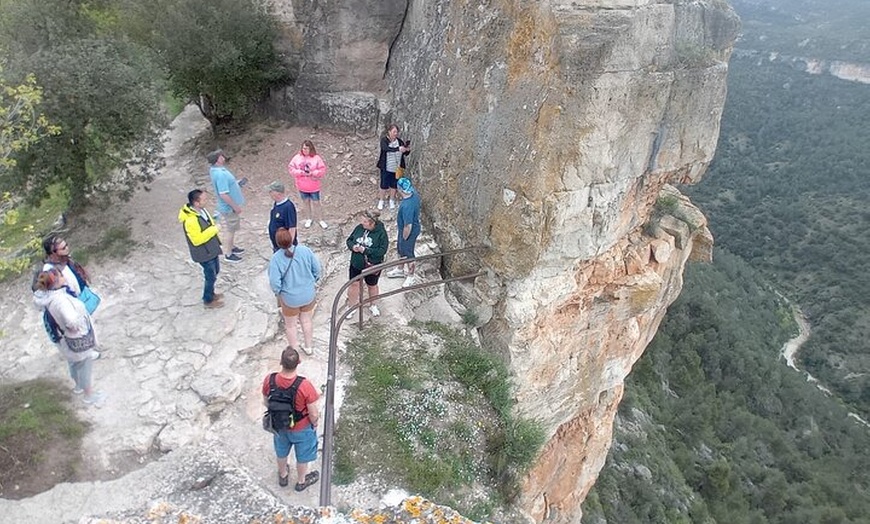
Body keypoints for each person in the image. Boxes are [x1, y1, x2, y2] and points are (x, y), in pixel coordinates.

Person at [33, 268, 105, 406]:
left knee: (73, 362)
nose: (63, 276)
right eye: (60, 276)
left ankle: (78, 387)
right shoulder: (61, 300)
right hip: (76, 338)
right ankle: (89, 395)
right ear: (56, 282)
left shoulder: (47, 298)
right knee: (84, 364)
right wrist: (79, 322)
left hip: (63, 339)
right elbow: (71, 321)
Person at [262, 346, 320, 491]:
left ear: (281, 362)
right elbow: (313, 413)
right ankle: (301, 481)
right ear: (298, 362)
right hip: (301, 428)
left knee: (281, 451)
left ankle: (283, 475)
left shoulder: (270, 380)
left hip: (279, 425)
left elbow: (266, 401)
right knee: (303, 455)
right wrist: (315, 423)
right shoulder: (304, 385)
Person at [269, 228, 321, 354]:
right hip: (308, 295)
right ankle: (309, 347)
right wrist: (312, 281)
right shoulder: (305, 251)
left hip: (290, 299)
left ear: (277, 243)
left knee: (291, 325)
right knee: (306, 320)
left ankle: (294, 351)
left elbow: (274, 282)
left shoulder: (276, 259)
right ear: (291, 238)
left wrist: (279, 292)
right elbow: (317, 269)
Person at [178, 189, 225, 309]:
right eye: (204, 199)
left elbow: (207, 224)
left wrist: (213, 221)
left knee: (215, 271)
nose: (207, 201)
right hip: (204, 253)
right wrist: (215, 229)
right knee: (210, 276)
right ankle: (208, 300)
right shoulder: (190, 220)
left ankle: (211, 294)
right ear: (196, 203)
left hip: (211, 249)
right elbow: (197, 239)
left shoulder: (201, 211)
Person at [41, 234, 100, 314]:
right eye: (63, 248)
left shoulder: (65, 259)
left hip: (85, 296)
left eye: (66, 245)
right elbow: (51, 296)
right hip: (74, 307)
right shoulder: (49, 270)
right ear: (52, 254)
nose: (67, 249)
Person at [346, 210, 388, 317]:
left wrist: (366, 251)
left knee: (372, 285)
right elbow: (349, 240)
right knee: (354, 284)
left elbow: (382, 250)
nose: (362, 223)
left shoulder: (381, 233)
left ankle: (373, 305)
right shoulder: (359, 228)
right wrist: (352, 247)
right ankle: (351, 306)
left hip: (372, 264)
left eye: (365, 221)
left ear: (372, 223)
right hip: (356, 262)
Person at [207, 148, 245, 262]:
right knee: (230, 230)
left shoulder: (215, 170)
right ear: (218, 159)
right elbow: (223, 194)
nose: (224, 157)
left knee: (231, 228)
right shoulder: (220, 174)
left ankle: (231, 247)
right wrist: (235, 206)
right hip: (229, 207)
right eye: (221, 156)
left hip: (226, 206)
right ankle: (228, 253)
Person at [386, 177, 422, 288]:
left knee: (408, 253)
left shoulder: (407, 205)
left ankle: (411, 276)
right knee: (400, 249)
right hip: (405, 230)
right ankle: (400, 269)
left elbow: (408, 225)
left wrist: (404, 237)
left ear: (400, 189)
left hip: (409, 232)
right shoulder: (414, 194)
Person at [288, 140, 328, 230]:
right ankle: (309, 218)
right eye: (303, 148)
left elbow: (322, 169)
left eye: (306, 148)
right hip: (302, 185)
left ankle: (320, 219)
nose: (304, 150)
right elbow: (291, 168)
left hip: (314, 185)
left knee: (316, 203)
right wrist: (300, 172)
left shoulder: (317, 158)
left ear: (311, 148)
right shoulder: (297, 158)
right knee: (306, 202)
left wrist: (313, 173)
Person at [375, 124, 410, 211]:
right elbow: (385, 149)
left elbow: (404, 154)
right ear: (389, 132)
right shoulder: (384, 140)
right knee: (383, 185)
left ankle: (391, 200)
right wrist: (398, 149)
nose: (395, 133)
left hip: (396, 168)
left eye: (396, 132)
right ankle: (381, 200)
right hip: (386, 167)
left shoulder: (400, 141)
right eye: (394, 131)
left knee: (394, 185)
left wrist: (407, 150)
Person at [266, 181, 298, 252]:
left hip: (285, 247)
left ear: (278, 193)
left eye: (271, 191)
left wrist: (288, 246)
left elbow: (292, 228)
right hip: (277, 245)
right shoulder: (276, 204)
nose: (269, 193)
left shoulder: (288, 207)